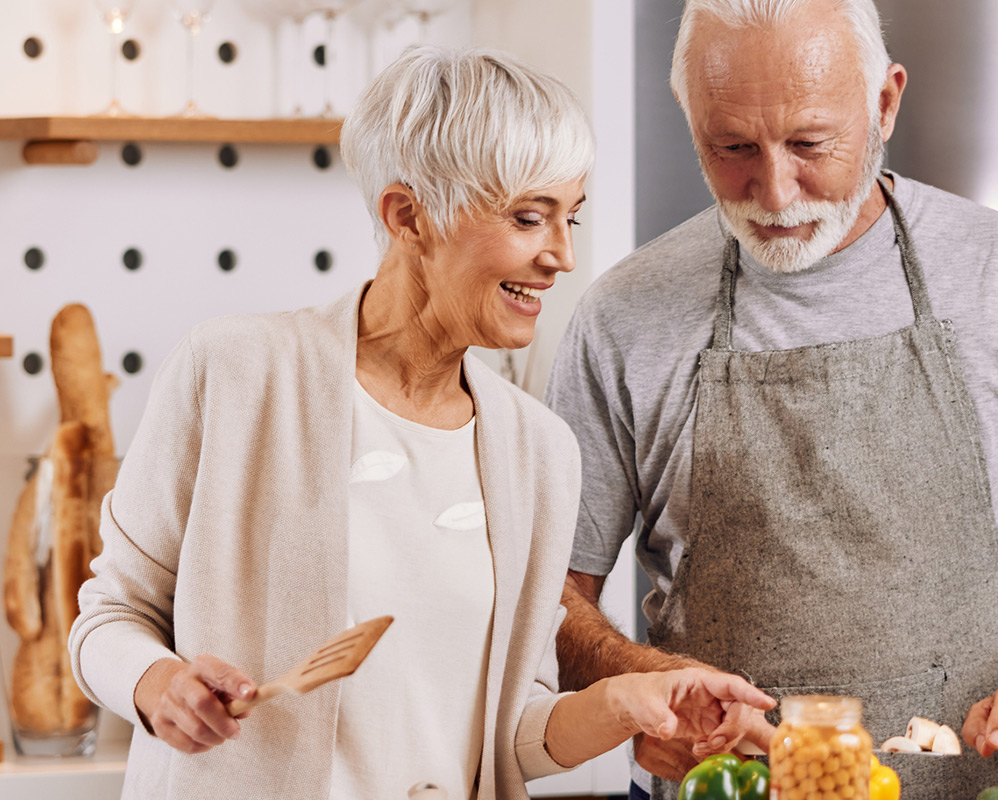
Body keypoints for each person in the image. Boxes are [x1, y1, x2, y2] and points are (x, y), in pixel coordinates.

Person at [68, 46, 773, 800]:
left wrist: (617, 705)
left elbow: (514, 731)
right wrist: (157, 683)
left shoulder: (537, 452)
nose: (562, 255)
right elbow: (108, 616)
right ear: (408, 215)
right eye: (528, 217)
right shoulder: (236, 373)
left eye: (570, 217)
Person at [544, 2, 998, 799]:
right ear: (691, 119)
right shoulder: (622, 316)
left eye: (810, 143)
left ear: (884, 103)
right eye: (733, 147)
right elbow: (551, 598)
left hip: (985, 787)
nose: (775, 191)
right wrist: (641, 687)